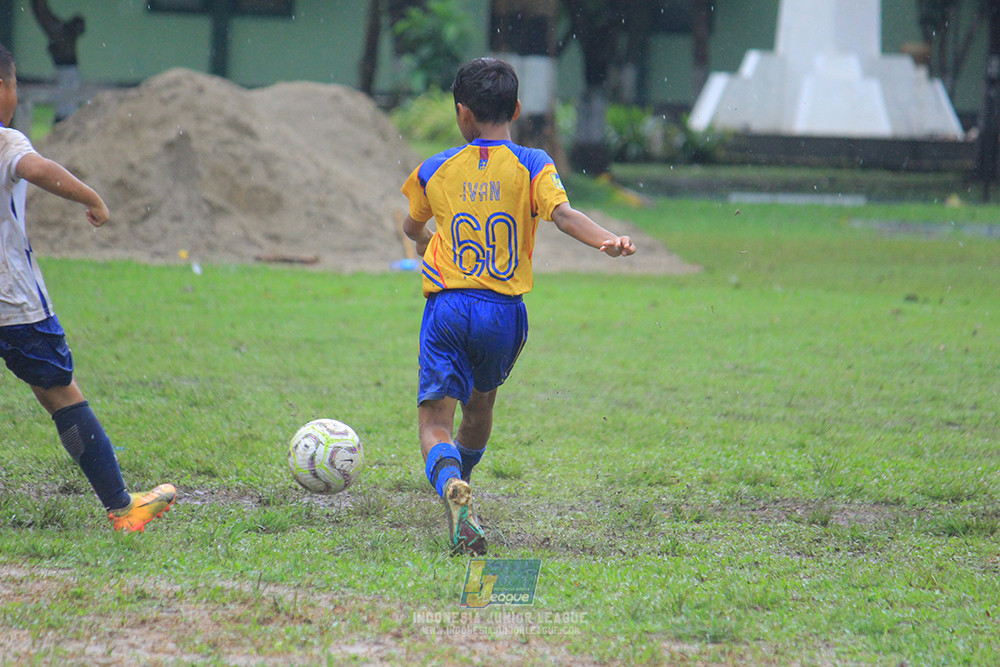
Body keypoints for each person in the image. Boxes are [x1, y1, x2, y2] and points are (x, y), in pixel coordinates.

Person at [400, 57, 637, 556]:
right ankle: (461, 484)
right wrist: (608, 241)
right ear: (517, 108)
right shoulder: (533, 164)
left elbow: (410, 227)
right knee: (480, 404)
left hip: (449, 305)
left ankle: (449, 487)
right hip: (505, 313)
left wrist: (425, 241)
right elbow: (565, 216)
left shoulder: (435, 168)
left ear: (462, 113)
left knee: (434, 421)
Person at [0, 43, 175, 532]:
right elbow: (34, 168)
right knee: (60, 395)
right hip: (12, 301)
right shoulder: (7, 141)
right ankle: (122, 507)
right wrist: (92, 197)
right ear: (2, 87)